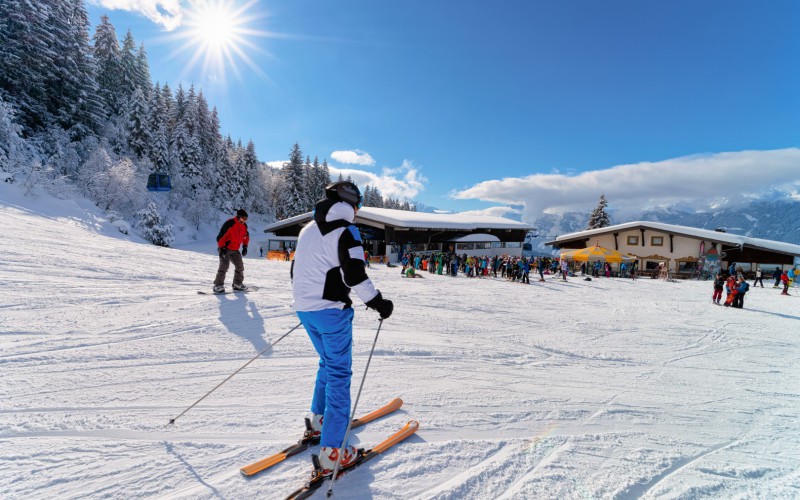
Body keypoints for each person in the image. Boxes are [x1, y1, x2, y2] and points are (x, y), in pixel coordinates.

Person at [291, 181, 393, 476]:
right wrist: (377, 302)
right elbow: (355, 274)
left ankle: (319, 421)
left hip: (305, 308)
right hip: (331, 312)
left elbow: (296, 270)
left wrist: (309, 301)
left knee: (327, 363)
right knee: (339, 375)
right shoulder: (347, 231)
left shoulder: (307, 229)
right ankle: (333, 452)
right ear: (352, 203)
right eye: (358, 205)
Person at [213, 209, 250, 293]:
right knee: (224, 266)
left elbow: (246, 236)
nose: (244, 220)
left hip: (235, 250)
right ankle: (218, 285)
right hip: (225, 248)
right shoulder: (230, 223)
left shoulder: (244, 226)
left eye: (246, 219)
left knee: (240, 266)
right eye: (243, 218)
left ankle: (237, 284)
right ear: (239, 217)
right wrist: (222, 248)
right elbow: (220, 237)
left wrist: (245, 246)